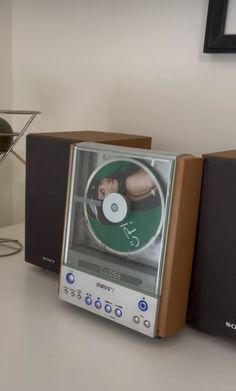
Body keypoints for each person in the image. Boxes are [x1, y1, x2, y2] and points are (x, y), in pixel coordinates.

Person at [87, 160, 165, 224]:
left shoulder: (130, 197)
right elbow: (153, 179)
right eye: (103, 192)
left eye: (101, 183)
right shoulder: (129, 184)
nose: (105, 184)